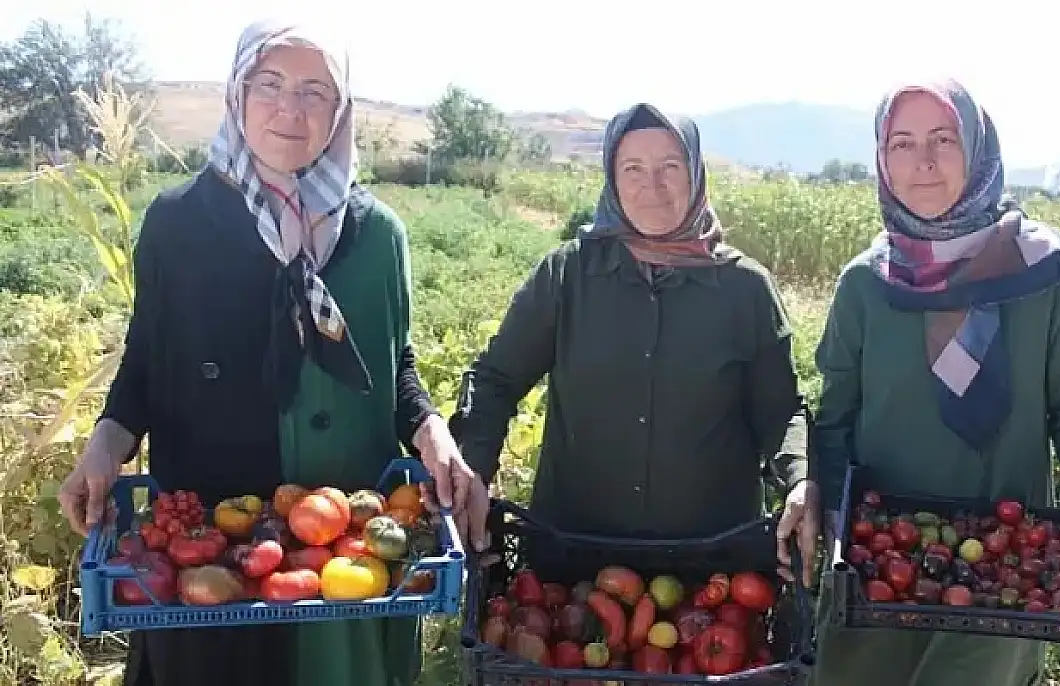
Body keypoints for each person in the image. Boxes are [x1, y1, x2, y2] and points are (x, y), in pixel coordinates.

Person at [56, 19, 475, 686]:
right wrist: (105, 447)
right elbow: (146, 362)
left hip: (339, 540)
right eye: (270, 84)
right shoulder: (178, 223)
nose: (290, 110)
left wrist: (433, 433)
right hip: (209, 535)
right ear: (237, 93)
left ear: (339, 111)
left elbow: (393, 365)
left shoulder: (376, 236)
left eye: (315, 92)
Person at [809, 79, 1060, 685]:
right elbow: (835, 418)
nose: (923, 162)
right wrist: (828, 511)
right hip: (877, 563)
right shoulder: (866, 285)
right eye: (902, 143)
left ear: (979, 150)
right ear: (882, 161)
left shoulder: (1046, 275)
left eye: (944, 139)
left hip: (1007, 567)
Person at [454, 103, 817, 582]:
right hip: (573, 567)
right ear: (612, 178)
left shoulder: (744, 289)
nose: (653, 186)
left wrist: (799, 479)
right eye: (633, 169)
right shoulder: (567, 276)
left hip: (714, 572)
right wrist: (474, 468)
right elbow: (495, 379)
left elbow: (781, 411)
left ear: (696, 174)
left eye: (670, 167)